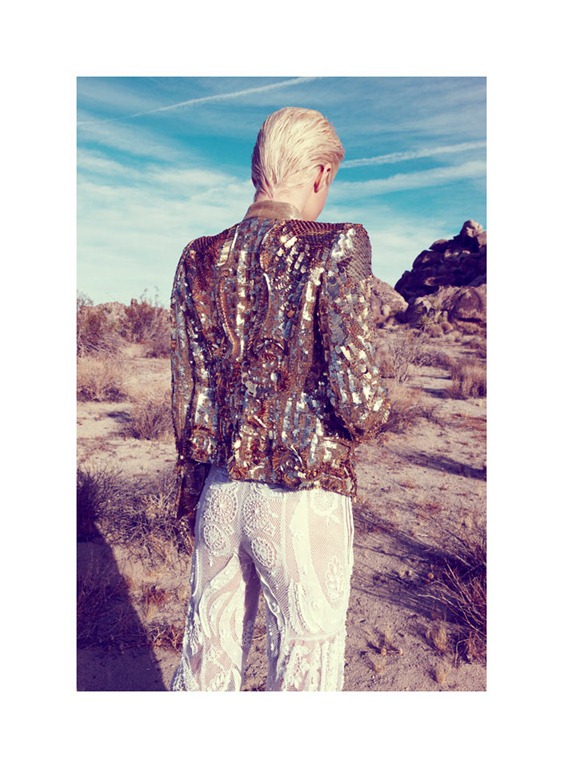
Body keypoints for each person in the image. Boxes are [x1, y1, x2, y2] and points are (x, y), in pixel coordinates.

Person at [169, 107, 390, 692]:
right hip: (303, 500)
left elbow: (189, 395)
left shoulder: (198, 256)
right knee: (304, 674)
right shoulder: (337, 245)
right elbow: (361, 403)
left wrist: (191, 491)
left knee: (206, 666)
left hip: (219, 492)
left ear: (257, 171)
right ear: (320, 174)